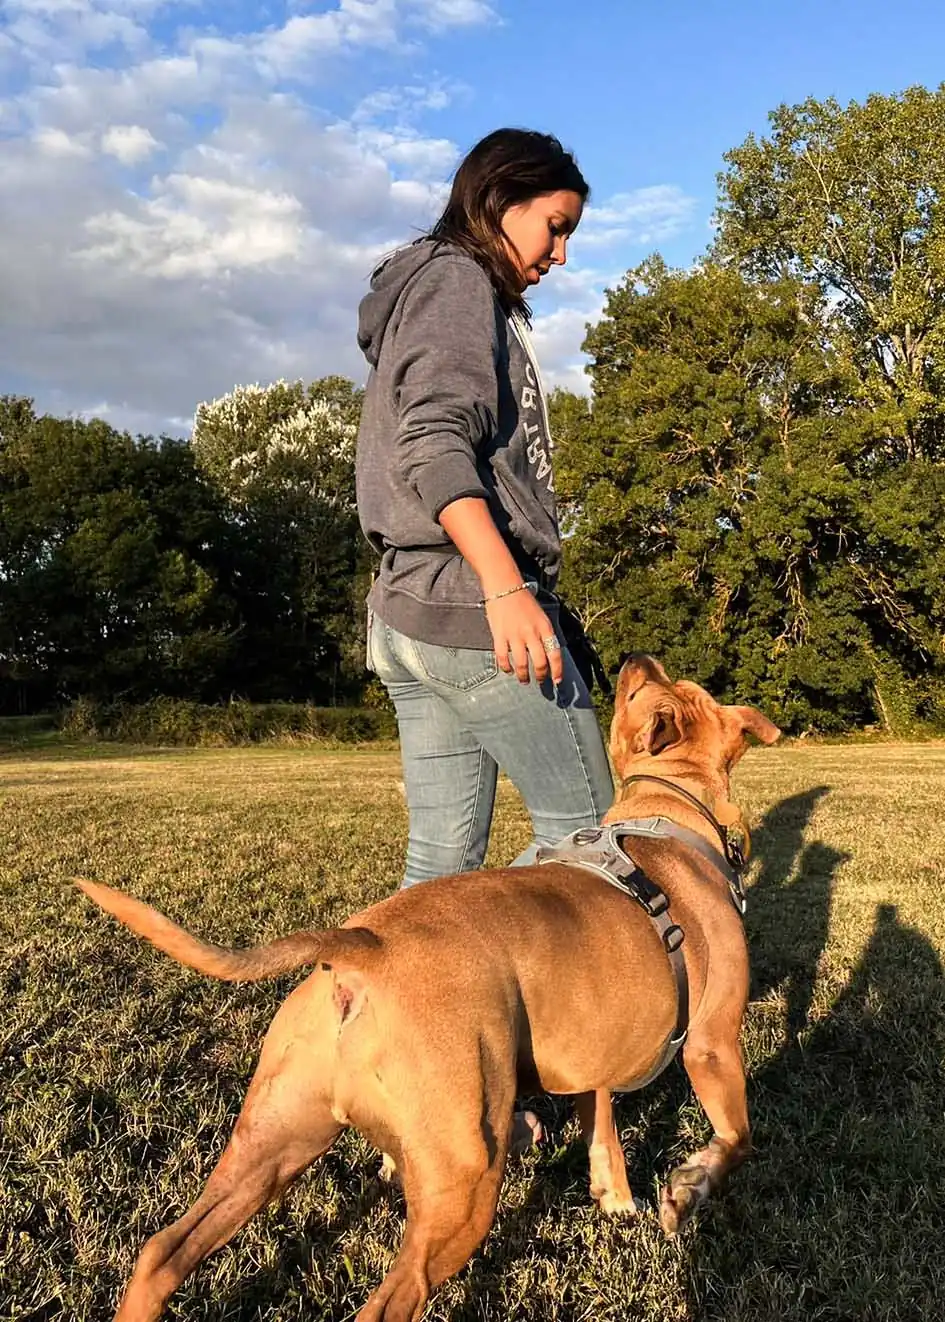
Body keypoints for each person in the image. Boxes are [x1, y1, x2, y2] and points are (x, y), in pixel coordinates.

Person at [355, 127, 614, 889]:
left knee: (439, 866)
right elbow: (433, 444)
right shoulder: (456, 280)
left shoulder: (429, 288)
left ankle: (406, 976)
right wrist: (504, 589)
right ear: (501, 199)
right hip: (473, 608)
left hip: (409, 613)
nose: (559, 255)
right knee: (591, 841)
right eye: (555, 227)